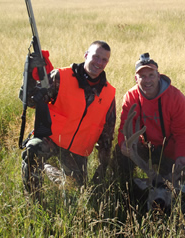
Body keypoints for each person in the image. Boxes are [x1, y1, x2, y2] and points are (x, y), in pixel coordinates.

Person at [19, 40, 116, 197]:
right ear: (86, 55)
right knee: (33, 152)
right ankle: (34, 202)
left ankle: (50, 170)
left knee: (77, 191)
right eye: (95, 56)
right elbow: (30, 101)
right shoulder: (61, 77)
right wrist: (30, 75)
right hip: (51, 139)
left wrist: (102, 167)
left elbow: (107, 133)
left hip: (76, 150)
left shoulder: (108, 93)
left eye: (104, 59)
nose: (99, 63)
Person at [116, 52, 185, 181]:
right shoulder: (131, 97)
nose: (147, 80)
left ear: (158, 76)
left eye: (151, 75)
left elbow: (182, 132)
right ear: (136, 79)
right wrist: (123, 143)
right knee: (121, 155)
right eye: (142, 76)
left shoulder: (176, 98)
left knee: (179, 177)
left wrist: (181, 156)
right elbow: (126, 127)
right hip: (144, 147)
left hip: (169, 149)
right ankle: (129, 190)